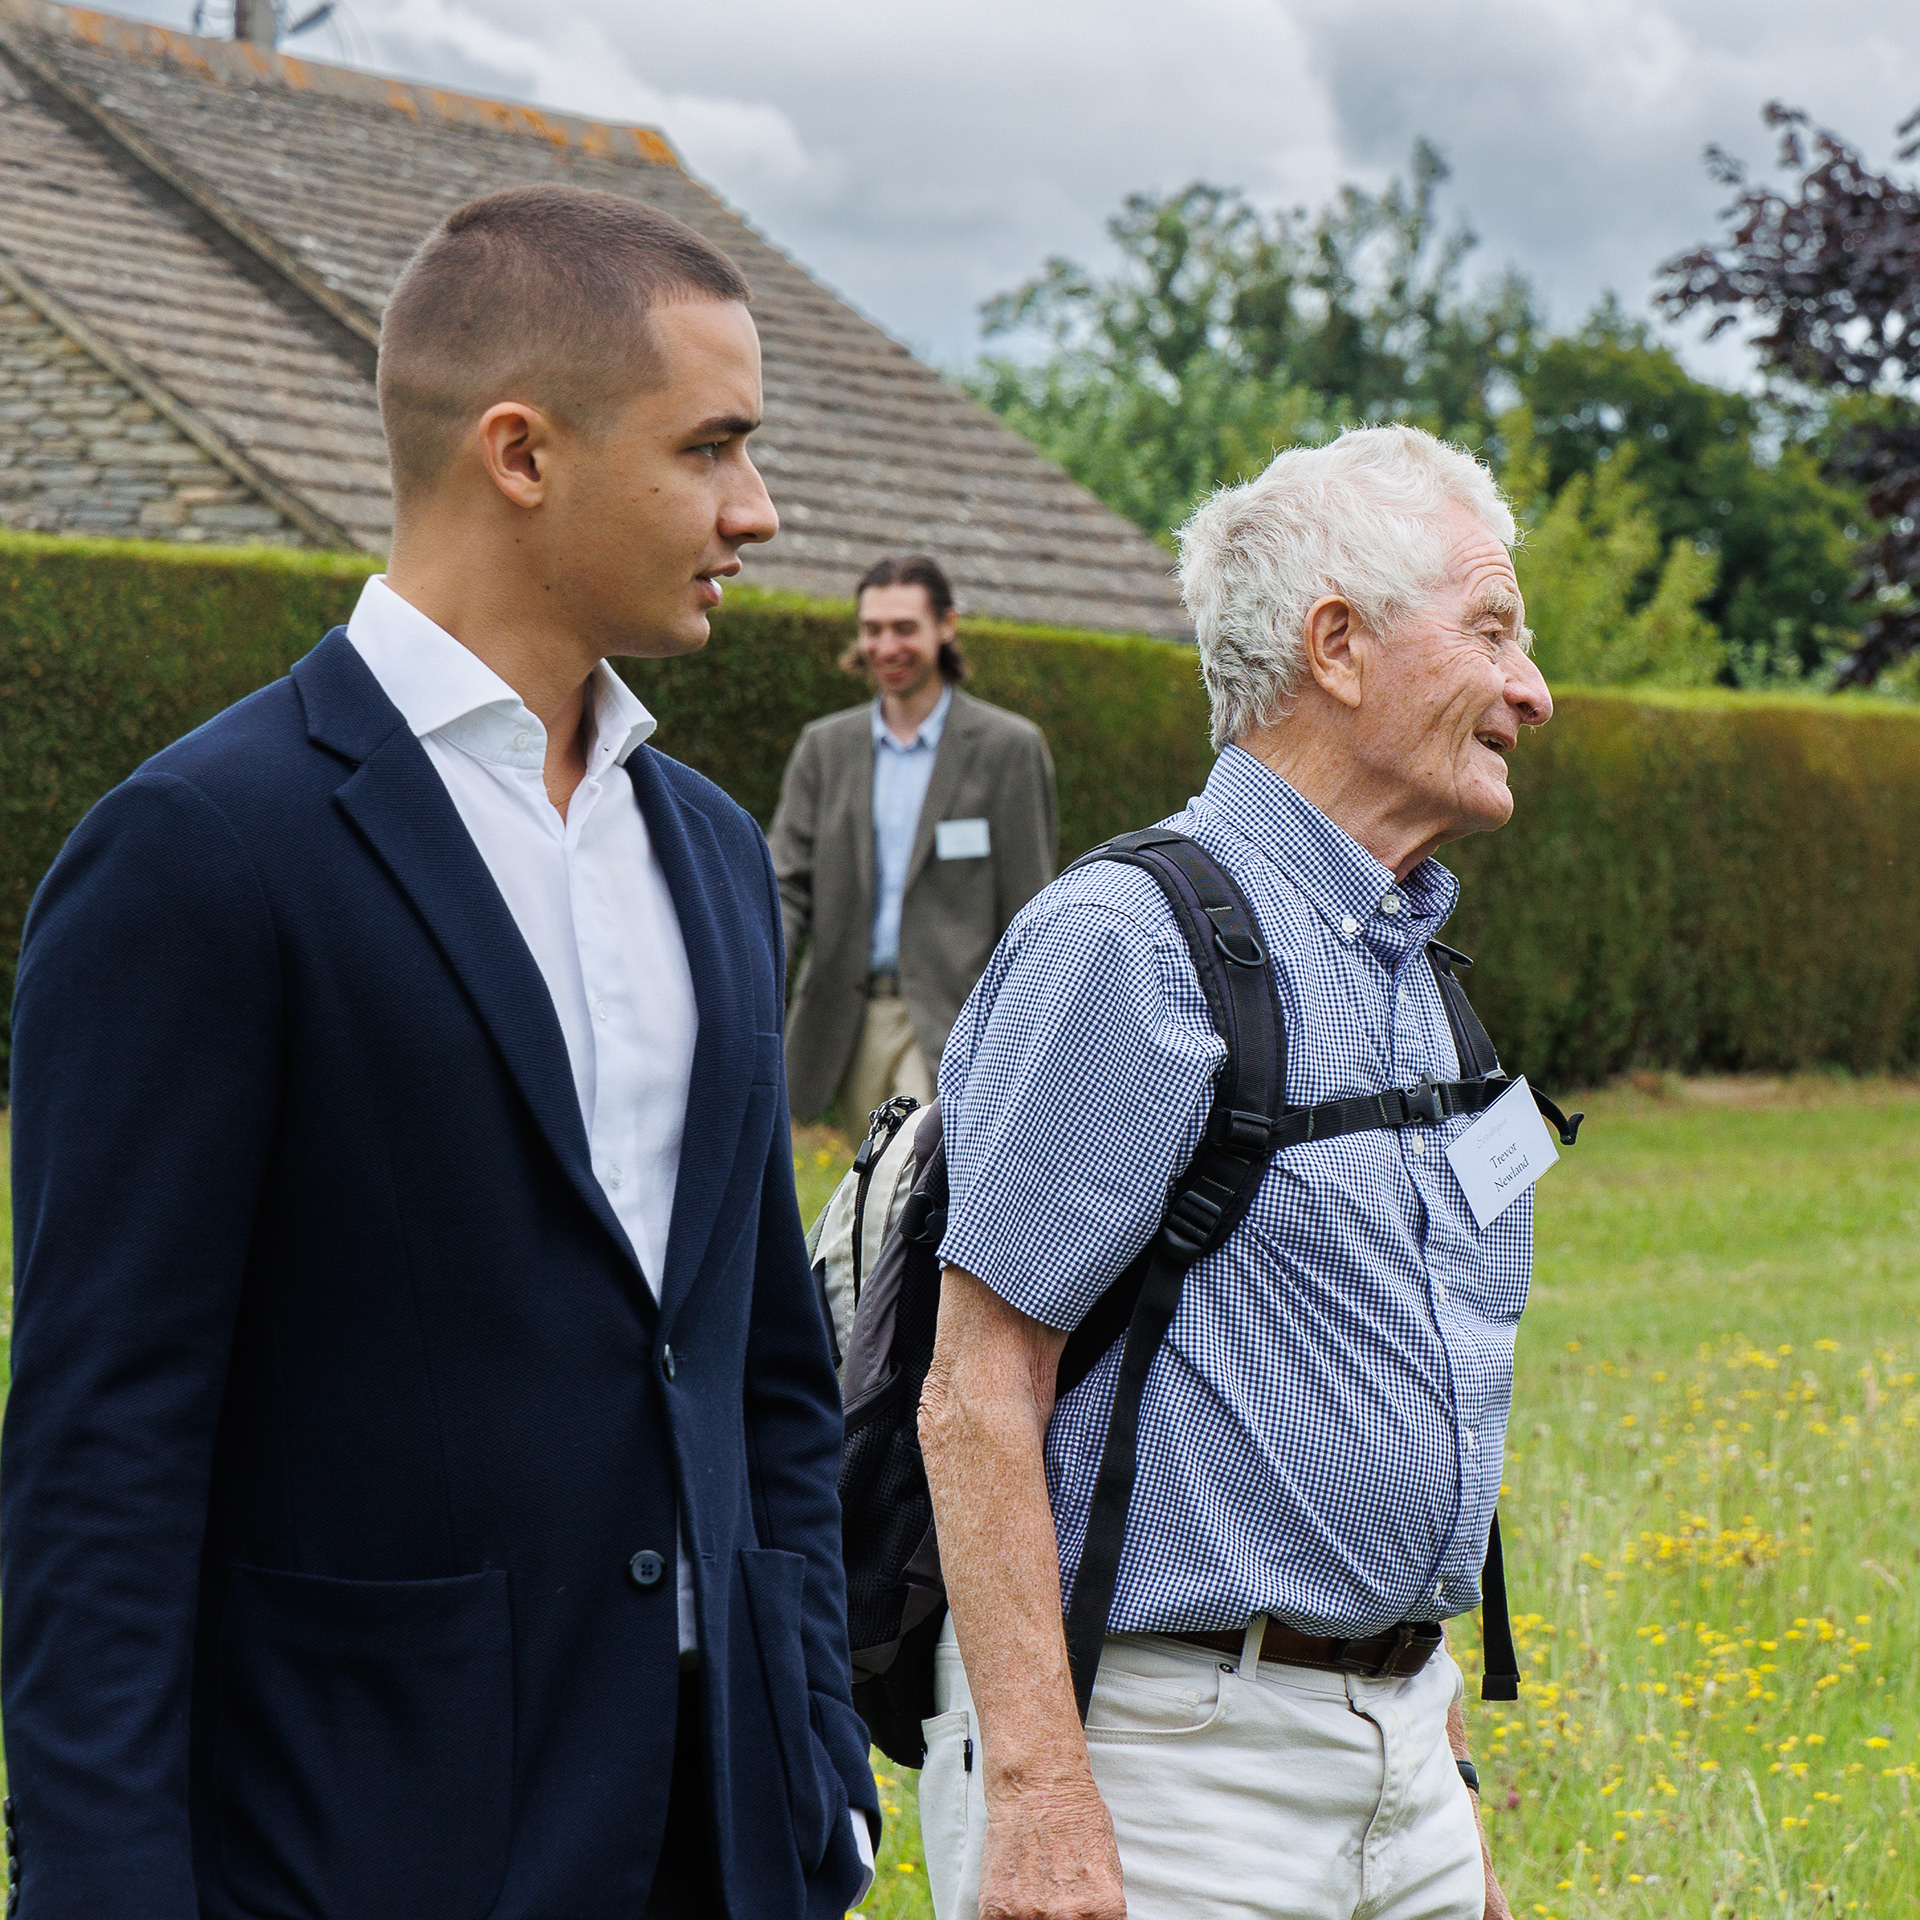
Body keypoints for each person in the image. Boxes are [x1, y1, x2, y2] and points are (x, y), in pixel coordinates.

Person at [2, 184, 876, 1920]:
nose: (758, 511)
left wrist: (816, 1752)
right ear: (522, 455)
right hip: (363, 1841)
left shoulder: (706, 848)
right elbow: (105, 1445)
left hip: (719, 1838)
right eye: (713, 448)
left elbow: (762, 1359)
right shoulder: (202, 850)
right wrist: (103, 1884)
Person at [917, 425, 1555, 1920]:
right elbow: (976, 1393)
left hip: (1396, 1755)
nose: (1531, 690)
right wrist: (1040, 1793)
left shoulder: (1415, 964)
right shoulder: (1127, 948)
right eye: (1493, 630)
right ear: (1339, 645)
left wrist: (1429, 1763)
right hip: (1169, 1770)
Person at [768, 554, 1057, 1127]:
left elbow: (1030, 910)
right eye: (872, 630)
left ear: (946, 626)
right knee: (839, 1200)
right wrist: (751, 988)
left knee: (911, 1193)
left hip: (953, 1019)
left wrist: (1022, 1041)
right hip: (842, 1019)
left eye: (905, 628)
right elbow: (784, 887)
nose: (886, 647)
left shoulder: (1008, 749)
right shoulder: (825, 749)